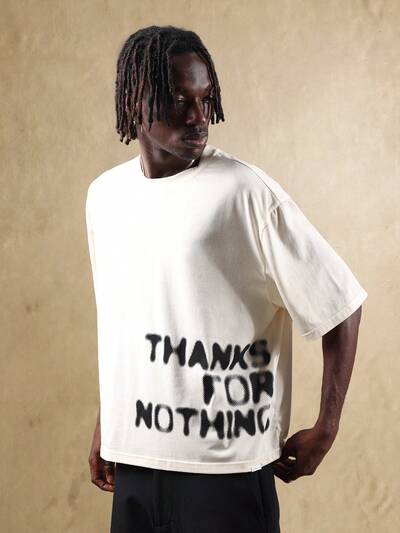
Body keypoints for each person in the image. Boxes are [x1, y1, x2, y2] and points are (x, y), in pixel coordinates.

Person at [85, 25, 367, 533]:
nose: (199, 117)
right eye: (180, 100)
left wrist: (327, 427)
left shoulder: (245, 193)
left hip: (226, 471)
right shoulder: (106, 196)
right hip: (136, 464)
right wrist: (112, 421)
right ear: (135, 99)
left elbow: (341, 303)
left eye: (205, 98)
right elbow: (125, 320)